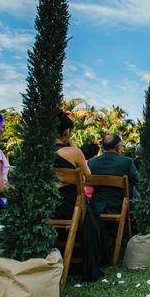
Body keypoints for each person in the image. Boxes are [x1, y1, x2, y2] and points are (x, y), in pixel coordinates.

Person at [54, 111, 106, 282]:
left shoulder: (33, 151)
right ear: (67, 132)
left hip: (41, 205)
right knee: (90, 211)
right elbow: (87, 175)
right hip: (68, 208)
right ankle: (88, 262)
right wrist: (73, 147)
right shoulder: (73, 152)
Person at [88, 134, 139, 214]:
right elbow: (138, 180)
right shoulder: (127, 162)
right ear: (118, 146)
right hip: (119, 207)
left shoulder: (91, 162)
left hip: (96, 207)